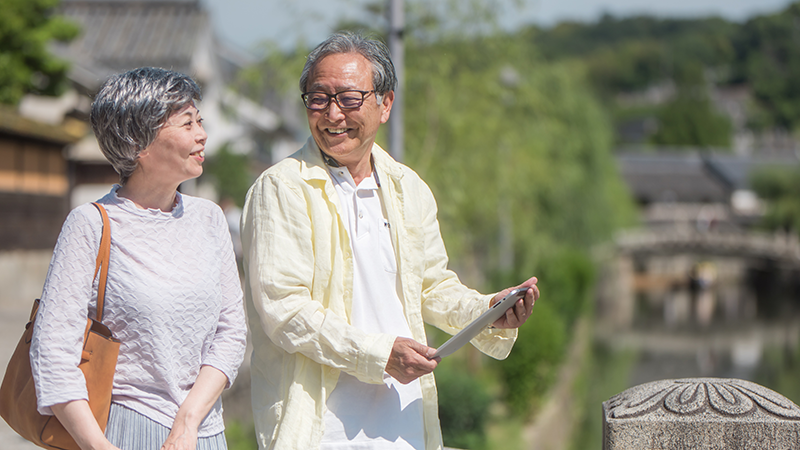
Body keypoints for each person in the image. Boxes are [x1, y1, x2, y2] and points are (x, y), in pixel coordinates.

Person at [241, 31, 540, 450]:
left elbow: (432, 286)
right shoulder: (281, 187)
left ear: (385, 104)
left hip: (406, 425)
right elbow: (284, 310)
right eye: (318, 98)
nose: (332, 114)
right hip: (321, 431)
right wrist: (379, 354)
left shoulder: (408, 187)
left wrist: (488, 312)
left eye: (348, 98)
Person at [30, 67, 247, 450]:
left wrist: (189, 418)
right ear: (138, 144)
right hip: (124, 432)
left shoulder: (209, 218)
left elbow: (232, 332)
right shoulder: (91, 225)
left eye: (199, 120)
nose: (202, 134)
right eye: (186, 123)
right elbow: (52, 353)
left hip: (204, 431)